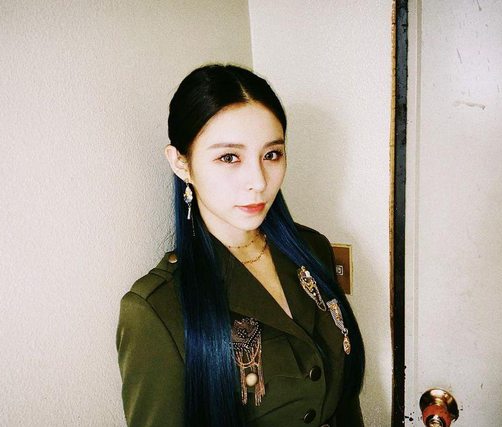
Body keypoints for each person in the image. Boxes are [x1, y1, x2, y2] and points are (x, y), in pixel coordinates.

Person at [116, 64, 365, 427]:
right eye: (229, 157)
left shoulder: (311, 249)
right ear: (182, 164)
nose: (258, 181)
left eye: (271, 154)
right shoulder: (156, 309)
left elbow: (344, 400)